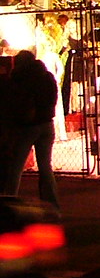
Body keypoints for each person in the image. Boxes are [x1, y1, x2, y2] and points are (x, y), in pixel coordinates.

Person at [0, 50, 60, 210]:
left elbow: (13, 102)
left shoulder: (19, 78)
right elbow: (53, 98)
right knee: (45, 166)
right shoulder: (46, 76)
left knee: (16, 166)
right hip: (47, 123)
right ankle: (51, 203)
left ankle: (9, 201)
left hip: (27, 126)